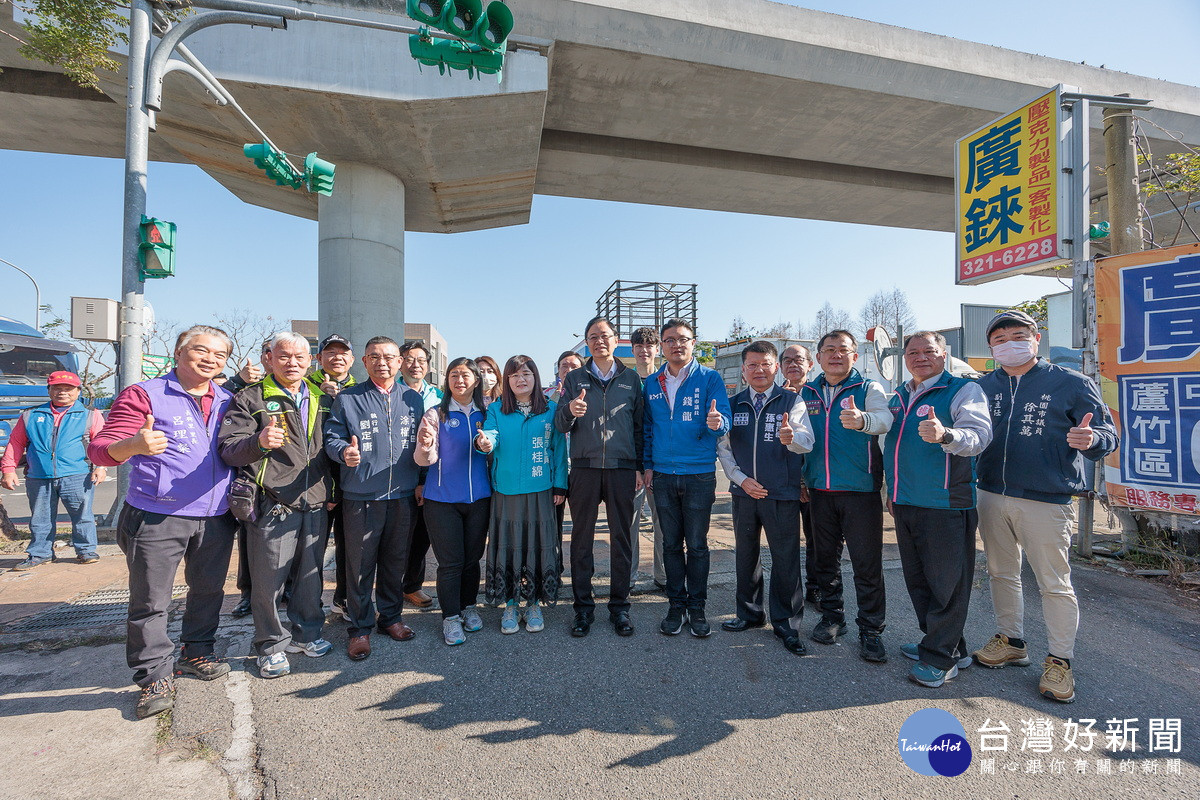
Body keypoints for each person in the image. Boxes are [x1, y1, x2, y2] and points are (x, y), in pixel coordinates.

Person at [88, 325, 237, 719]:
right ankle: (153, 674)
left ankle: (197, 650)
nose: (210, 359)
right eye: (201, 351)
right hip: (158, 515)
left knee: (208, 590)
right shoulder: (145, 394)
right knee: (151, 599)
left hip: (216, 515)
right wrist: (133, 446)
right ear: (178, 352)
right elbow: (101, 449)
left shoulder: (227, 399)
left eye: (219, 355)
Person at [972, 310, 1118, 704]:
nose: (1009, 344)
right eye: (1000, 340)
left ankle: (1059, 660)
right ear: (991, 348)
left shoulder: (1070, 383)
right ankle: (1011, 639)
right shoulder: (984, 386)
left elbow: (1108, 434)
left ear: (1036, 339)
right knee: (1001, 573)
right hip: (990, 493)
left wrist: (1092, 439)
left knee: (1053, 583)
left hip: (1046, 499)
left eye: (1018, 336)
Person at [218, 331, 335, 678]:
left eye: (300, 358)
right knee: (269, 581)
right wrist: (259, 441)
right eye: (284, 356)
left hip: (314, 502)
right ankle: (270, 645)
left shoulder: (322, 397)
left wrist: (332, 494)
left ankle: (307, 634)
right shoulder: (250, 398)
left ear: (310, 361)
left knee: (310, 577)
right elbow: (229, 448)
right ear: (269, 358)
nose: (293, 363)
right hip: (272, 504)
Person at [883, 331, 992, 688]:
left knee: (948, 583)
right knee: (919, 580)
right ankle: (943, 643)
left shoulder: (963, 390)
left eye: (928, 351)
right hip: (905, 500)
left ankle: (941, 658)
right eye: (912, 352)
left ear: (944, 355)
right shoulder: (900, 394)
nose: (919, 357)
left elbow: (978, 436)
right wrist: (891, 490)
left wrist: (947, 435)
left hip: (945, 502)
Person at [324, 336, 423, 661]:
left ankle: (391, 619)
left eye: (390, 357)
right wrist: (344, 452)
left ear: (400, 362)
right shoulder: (349, 398)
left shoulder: (413, 399)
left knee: (395, 562)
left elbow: (423, 443)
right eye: (375, 357)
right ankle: (360, 629)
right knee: (360, 567)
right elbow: (332, 437)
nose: (383, 362)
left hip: (402, 496)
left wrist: (420, 481)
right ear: (364, 362)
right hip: (361, 497)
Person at [798, 330, 893, 662]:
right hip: (819, 492)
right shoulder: (806, 392)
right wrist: (801, 477)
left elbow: (885, 419)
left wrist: (863, 420)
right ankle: (832, 616)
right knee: (824, 562)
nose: (835, 355)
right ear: (819, 357)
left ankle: (871, 629)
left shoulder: (869, 389)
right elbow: (799, 437)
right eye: (829, 350)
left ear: (855, 356)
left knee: (867, 565)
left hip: (860, 492)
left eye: (843, 350)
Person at [717, 341, 814, 655]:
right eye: (752, 365)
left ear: (777, 367)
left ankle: (786, 625)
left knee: (785, 560)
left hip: (781, 493)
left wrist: (792, 438)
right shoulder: (732, 404)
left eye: (766, 364)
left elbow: (807, 440)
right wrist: (742, 481)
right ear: (744, 370)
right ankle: (749, 613)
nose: (759, 370)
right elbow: (725, 450)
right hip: (744, 493)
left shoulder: (792, 400)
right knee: (746, 556)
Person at [555, 317, 644, 637]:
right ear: (587, 342)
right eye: (592, 337)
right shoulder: (575, 378)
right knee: (581, 541)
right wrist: (570, 412)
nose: (598, 341)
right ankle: (582, 609)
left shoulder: (631, 379)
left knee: (622, 539)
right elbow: (560, 424)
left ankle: (620, 608)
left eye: (604, 336)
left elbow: (639, 427)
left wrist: (639, 466)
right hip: (584, 468)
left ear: (615, 339)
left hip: (622, 468)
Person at [643, 318, 731, 638]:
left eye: (683, 339)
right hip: (663, 475)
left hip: (699, 475)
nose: (677, 344)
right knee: (670, 544)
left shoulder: (709, 378)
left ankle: (697, 606)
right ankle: (675, 604)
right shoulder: (653, 383)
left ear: (694, 343)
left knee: (696, 545)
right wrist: (648, 465)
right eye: (670, 340)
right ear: (662, 346)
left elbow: (725, 422)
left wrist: (717, 421)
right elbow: (648, 429)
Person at [475, 356, 567, 634]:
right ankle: (511, 605)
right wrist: (485, 442)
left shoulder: (551, 409)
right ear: (507, 381)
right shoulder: (496, 410)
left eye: (526, 373)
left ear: (536, 377)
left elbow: (559, 449)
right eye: (514, 375)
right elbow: (491, 436)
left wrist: (560, 484)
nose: (520, 379)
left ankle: (534, 603)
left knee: (539, 546)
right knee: (510, 547)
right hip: (507, 489)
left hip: (542, 489)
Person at [414, 358, 492, 646]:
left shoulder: (488, 412)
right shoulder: (436, 414)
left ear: (476, 380)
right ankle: (450, 617)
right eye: (454, 375)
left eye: (466, 375)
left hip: (480, 499)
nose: (460, 380)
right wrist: (424, 446)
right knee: (450, 563)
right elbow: (425, 459)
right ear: (447, 381)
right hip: (442, 499)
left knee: (472, 560)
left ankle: (469, 607)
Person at [2, 370, 106, 568]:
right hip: (38, 475)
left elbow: (101, 443)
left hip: (77, 474)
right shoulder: (31, 415)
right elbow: (15, 444)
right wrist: (8, 470)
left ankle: (86, 551)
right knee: (40, 518)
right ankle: (40, 554)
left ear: (78, 391)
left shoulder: (90, 414)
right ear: (49, 390)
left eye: (68, 389)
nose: (62, 392)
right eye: (57, 388)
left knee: (82, 516)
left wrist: (101, 467)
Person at [310, 334, 357, 623]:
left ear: (352, 360)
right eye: (330, 352)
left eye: (343, 353)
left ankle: (343, 600)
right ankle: (309, 605)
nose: (337, 357)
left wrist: (339, 398)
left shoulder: (359, 390)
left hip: (351, 483)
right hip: (314, 482)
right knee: (311, 551)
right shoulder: (305, 387)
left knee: (349, 548)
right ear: (319, 358)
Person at [398, 340, 443, 610]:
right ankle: (390, 588)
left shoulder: (437, 396)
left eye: (421, 360)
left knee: (421, 535)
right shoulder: (389, 392)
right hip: (396, 472)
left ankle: (411, 586)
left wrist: (424, 480)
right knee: (395, 536)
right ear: (400, 362)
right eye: (410, 359)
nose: (416, 365)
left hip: (428, 474)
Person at [780, 344, 819, 605]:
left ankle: (816, 586)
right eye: (788, 360)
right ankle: (787, 591)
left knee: (816, 538)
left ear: (810, 364)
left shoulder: (818, 394)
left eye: (799, 360)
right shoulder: (774, 395)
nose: (793, 364)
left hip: (814, 479)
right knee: (785, 539)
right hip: (782, 481)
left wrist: (804, 480)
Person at [629, 326, 664, 587]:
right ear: (632, 350)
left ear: (657, 349)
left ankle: (662, 576)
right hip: (632, 464)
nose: (644, 350)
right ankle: (629, 576)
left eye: (649, 345)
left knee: (662, 524)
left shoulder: (666, 379)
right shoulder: (626, 381)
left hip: (661, 463)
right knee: (629, 524)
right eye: (639, 346)